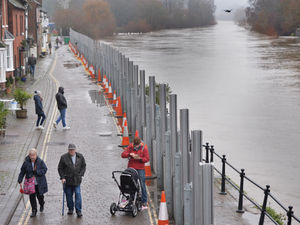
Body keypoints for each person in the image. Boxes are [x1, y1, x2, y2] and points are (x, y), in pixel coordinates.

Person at [58, 144, 86, 218]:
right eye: (70, 150)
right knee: (69, 196)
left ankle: (78, 210)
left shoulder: (80, 156)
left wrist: (81, 174)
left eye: (73, 150)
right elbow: (60, 168)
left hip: (77, 180)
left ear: (75, 150)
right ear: (68, 150)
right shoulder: (63, 157)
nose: (72, 151)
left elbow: (83, 166)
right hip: (68, 181)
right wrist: (62, 177)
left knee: (78, 194)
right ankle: (70, 208)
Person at [18, 149, 48, 218]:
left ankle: (42, 203)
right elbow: (22, 171)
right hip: (30, 184)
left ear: (36, 155)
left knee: (40, 196)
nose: (32, 157)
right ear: (29, 155)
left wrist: (37, 172)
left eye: (33, 155)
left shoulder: (40, 161)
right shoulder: (26, 163)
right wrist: (20, 179)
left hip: (39, 183)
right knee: (32, 197)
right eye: (31, 155)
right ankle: (34, 210)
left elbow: (45, 169)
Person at [121, 136, 149, 209]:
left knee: (142, 184)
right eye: (135, 145)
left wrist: (140, 159)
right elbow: (123, 154)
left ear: (140, 143)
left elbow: (147, 159)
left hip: (140, 168)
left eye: (137, 146)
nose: (136, 147)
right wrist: (129, 154)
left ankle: (144, 201)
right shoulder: (130, 146)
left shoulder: (144, 148)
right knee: (131, 184)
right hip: (131, 168)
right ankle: (132, 198)